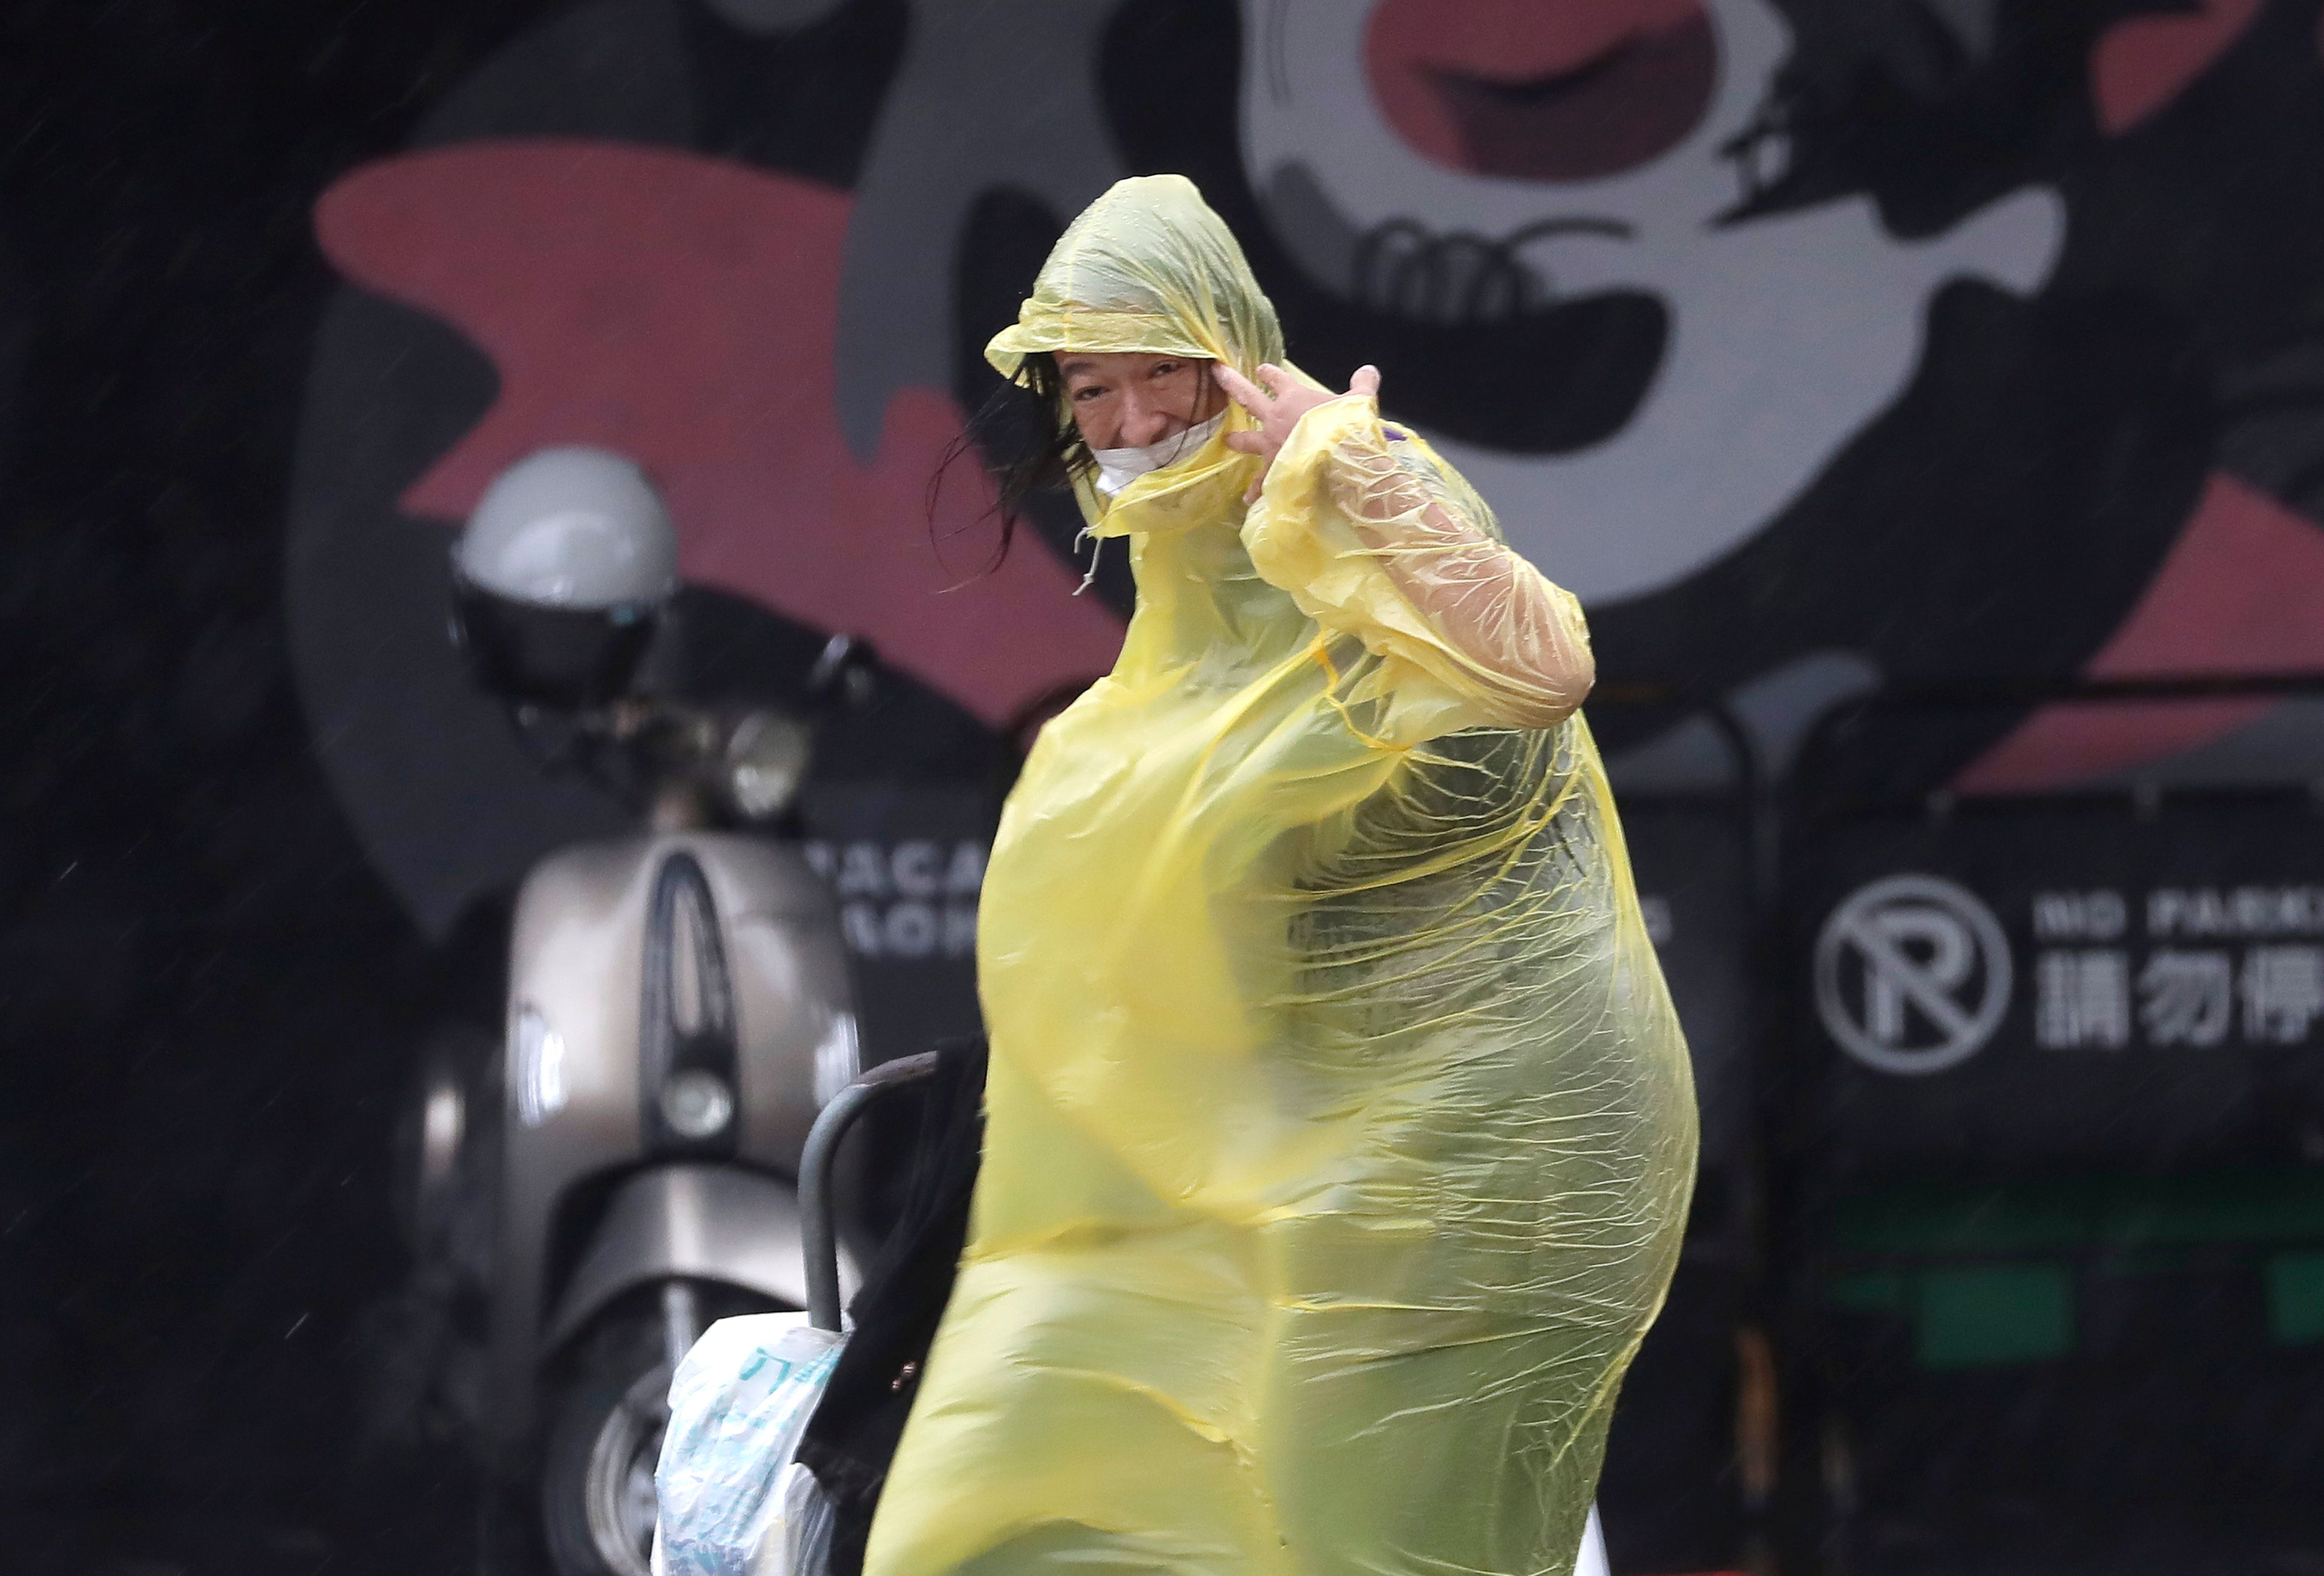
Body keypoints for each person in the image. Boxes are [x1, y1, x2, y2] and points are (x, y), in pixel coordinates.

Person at [863, 175, 1697, 1576]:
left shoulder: (1352, 479)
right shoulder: (1187, 611)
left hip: (1484, 1160)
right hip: (1321, 1157)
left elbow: (1544, 668)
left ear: (1233, 360)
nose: (1128, 426)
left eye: (1163, 381)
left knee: (1355, 1535)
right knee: (1051, 1473)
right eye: (1092, 389)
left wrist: (1341, 461)